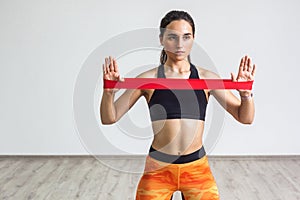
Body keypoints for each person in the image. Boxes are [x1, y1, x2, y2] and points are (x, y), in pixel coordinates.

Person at [100, 10, 255, 200]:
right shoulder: (148, 80)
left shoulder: (207, 79)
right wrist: (108, 93)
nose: (180, 45)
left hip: (197, 169)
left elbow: (245, 117)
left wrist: (246, 95)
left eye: (186, 37)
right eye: (172, 37)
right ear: (161, 39)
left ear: (193, 39)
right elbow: (109, 118)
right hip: (159, 169)